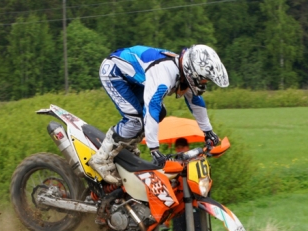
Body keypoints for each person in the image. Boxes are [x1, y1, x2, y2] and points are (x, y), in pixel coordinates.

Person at [89, 45, 229, 184]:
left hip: (132, 77)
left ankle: (127, 147)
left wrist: (208, 131)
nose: (205, 83)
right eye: (204, 79)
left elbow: (195, 101)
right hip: (114, 73)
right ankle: (101, 159)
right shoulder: (164, 75)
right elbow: (151, 108)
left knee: (161, 113)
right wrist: (154, 149)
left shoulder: (183, 71)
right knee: (135, 120)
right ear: (192, 72)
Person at [172, 138, 203, 231]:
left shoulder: (194, 164)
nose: (180, 149)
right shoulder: (172, 165)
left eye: (183, 147)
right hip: (178, 206)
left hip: (192, 204)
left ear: (187, 148)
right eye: (178, 147)